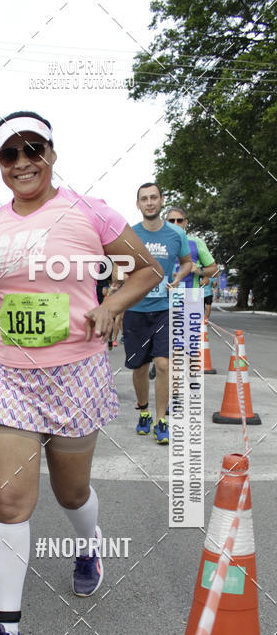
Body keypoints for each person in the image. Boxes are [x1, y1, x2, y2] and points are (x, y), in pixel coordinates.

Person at [0, 111, 162, 635]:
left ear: (51, 152)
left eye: (32, 149)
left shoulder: (89, 211)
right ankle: (7, 632)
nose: (22, 162)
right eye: (10, 154)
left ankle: (88, 545)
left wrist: (112, 303)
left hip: (75, 372)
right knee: (11, 503)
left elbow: (146, 271)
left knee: (71, 494)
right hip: (8, 375)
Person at [122, 183, 192, 444]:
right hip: (136, 309)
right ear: (138, 204)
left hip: (165, 308)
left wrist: (178, 276)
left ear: (162, 200)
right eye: (144, 199)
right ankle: (144, 411)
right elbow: (120, 266)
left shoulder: (175, 234)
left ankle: (162, 420)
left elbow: (187, 263)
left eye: (153, 197)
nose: (149, 202)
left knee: (164, 364)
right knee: (139, 367)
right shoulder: (129, 234)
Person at [165, 207, 218, 320]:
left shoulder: (196, 243)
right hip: (163, 303)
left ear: (185, 223)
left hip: (190, 302)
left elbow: (215, 270)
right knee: (164, 337)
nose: (175, 223)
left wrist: (199, 270)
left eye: (179, 220)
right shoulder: (159, 243)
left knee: (187, 338)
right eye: (171, 220)